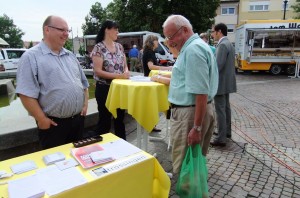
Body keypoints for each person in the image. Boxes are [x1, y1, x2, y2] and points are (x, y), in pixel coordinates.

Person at [16, 15, 89, 149]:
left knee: (78, 161)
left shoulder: (70, 56)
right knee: (56, 165)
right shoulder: (31, 57)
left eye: (68, 30)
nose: (66, 34)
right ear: (47, 30)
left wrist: (84, 105)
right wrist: (41, 119)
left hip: (77, 121)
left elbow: (84, 84)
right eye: (62, 29)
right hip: (53, 125)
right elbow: (25, 93)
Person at [162, 15, 218, 174]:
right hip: (193, 111)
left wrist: (196, 127)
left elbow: (201, 92)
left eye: (171, 36)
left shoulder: (193, 50)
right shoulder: (195, 47)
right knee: (193, 164)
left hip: (190, 114)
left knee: (185, 167)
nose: (170, 42)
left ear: (184, 30)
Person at [91, 20, 130, 140]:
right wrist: (119, 76)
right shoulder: (99, 47)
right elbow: (98, 71)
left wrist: (126, 71)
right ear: (107, 30)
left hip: (119, 88)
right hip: (104, 89)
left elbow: (125, 65)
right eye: (115, 29)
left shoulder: (119, 47)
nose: (118, 31)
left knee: (120, 120)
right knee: (105, 120)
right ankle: (100, 149)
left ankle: (123, 147)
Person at [210, 23, 237, 147]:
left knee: (220, 110)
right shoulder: (229, 44)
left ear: (219, 31)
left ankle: (221, 138)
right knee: (226, 108)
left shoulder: (222, 45)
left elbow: (217, 66)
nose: (212, 34)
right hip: (227, 82)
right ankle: (226, 133)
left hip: (220, 83)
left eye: (213, 32)